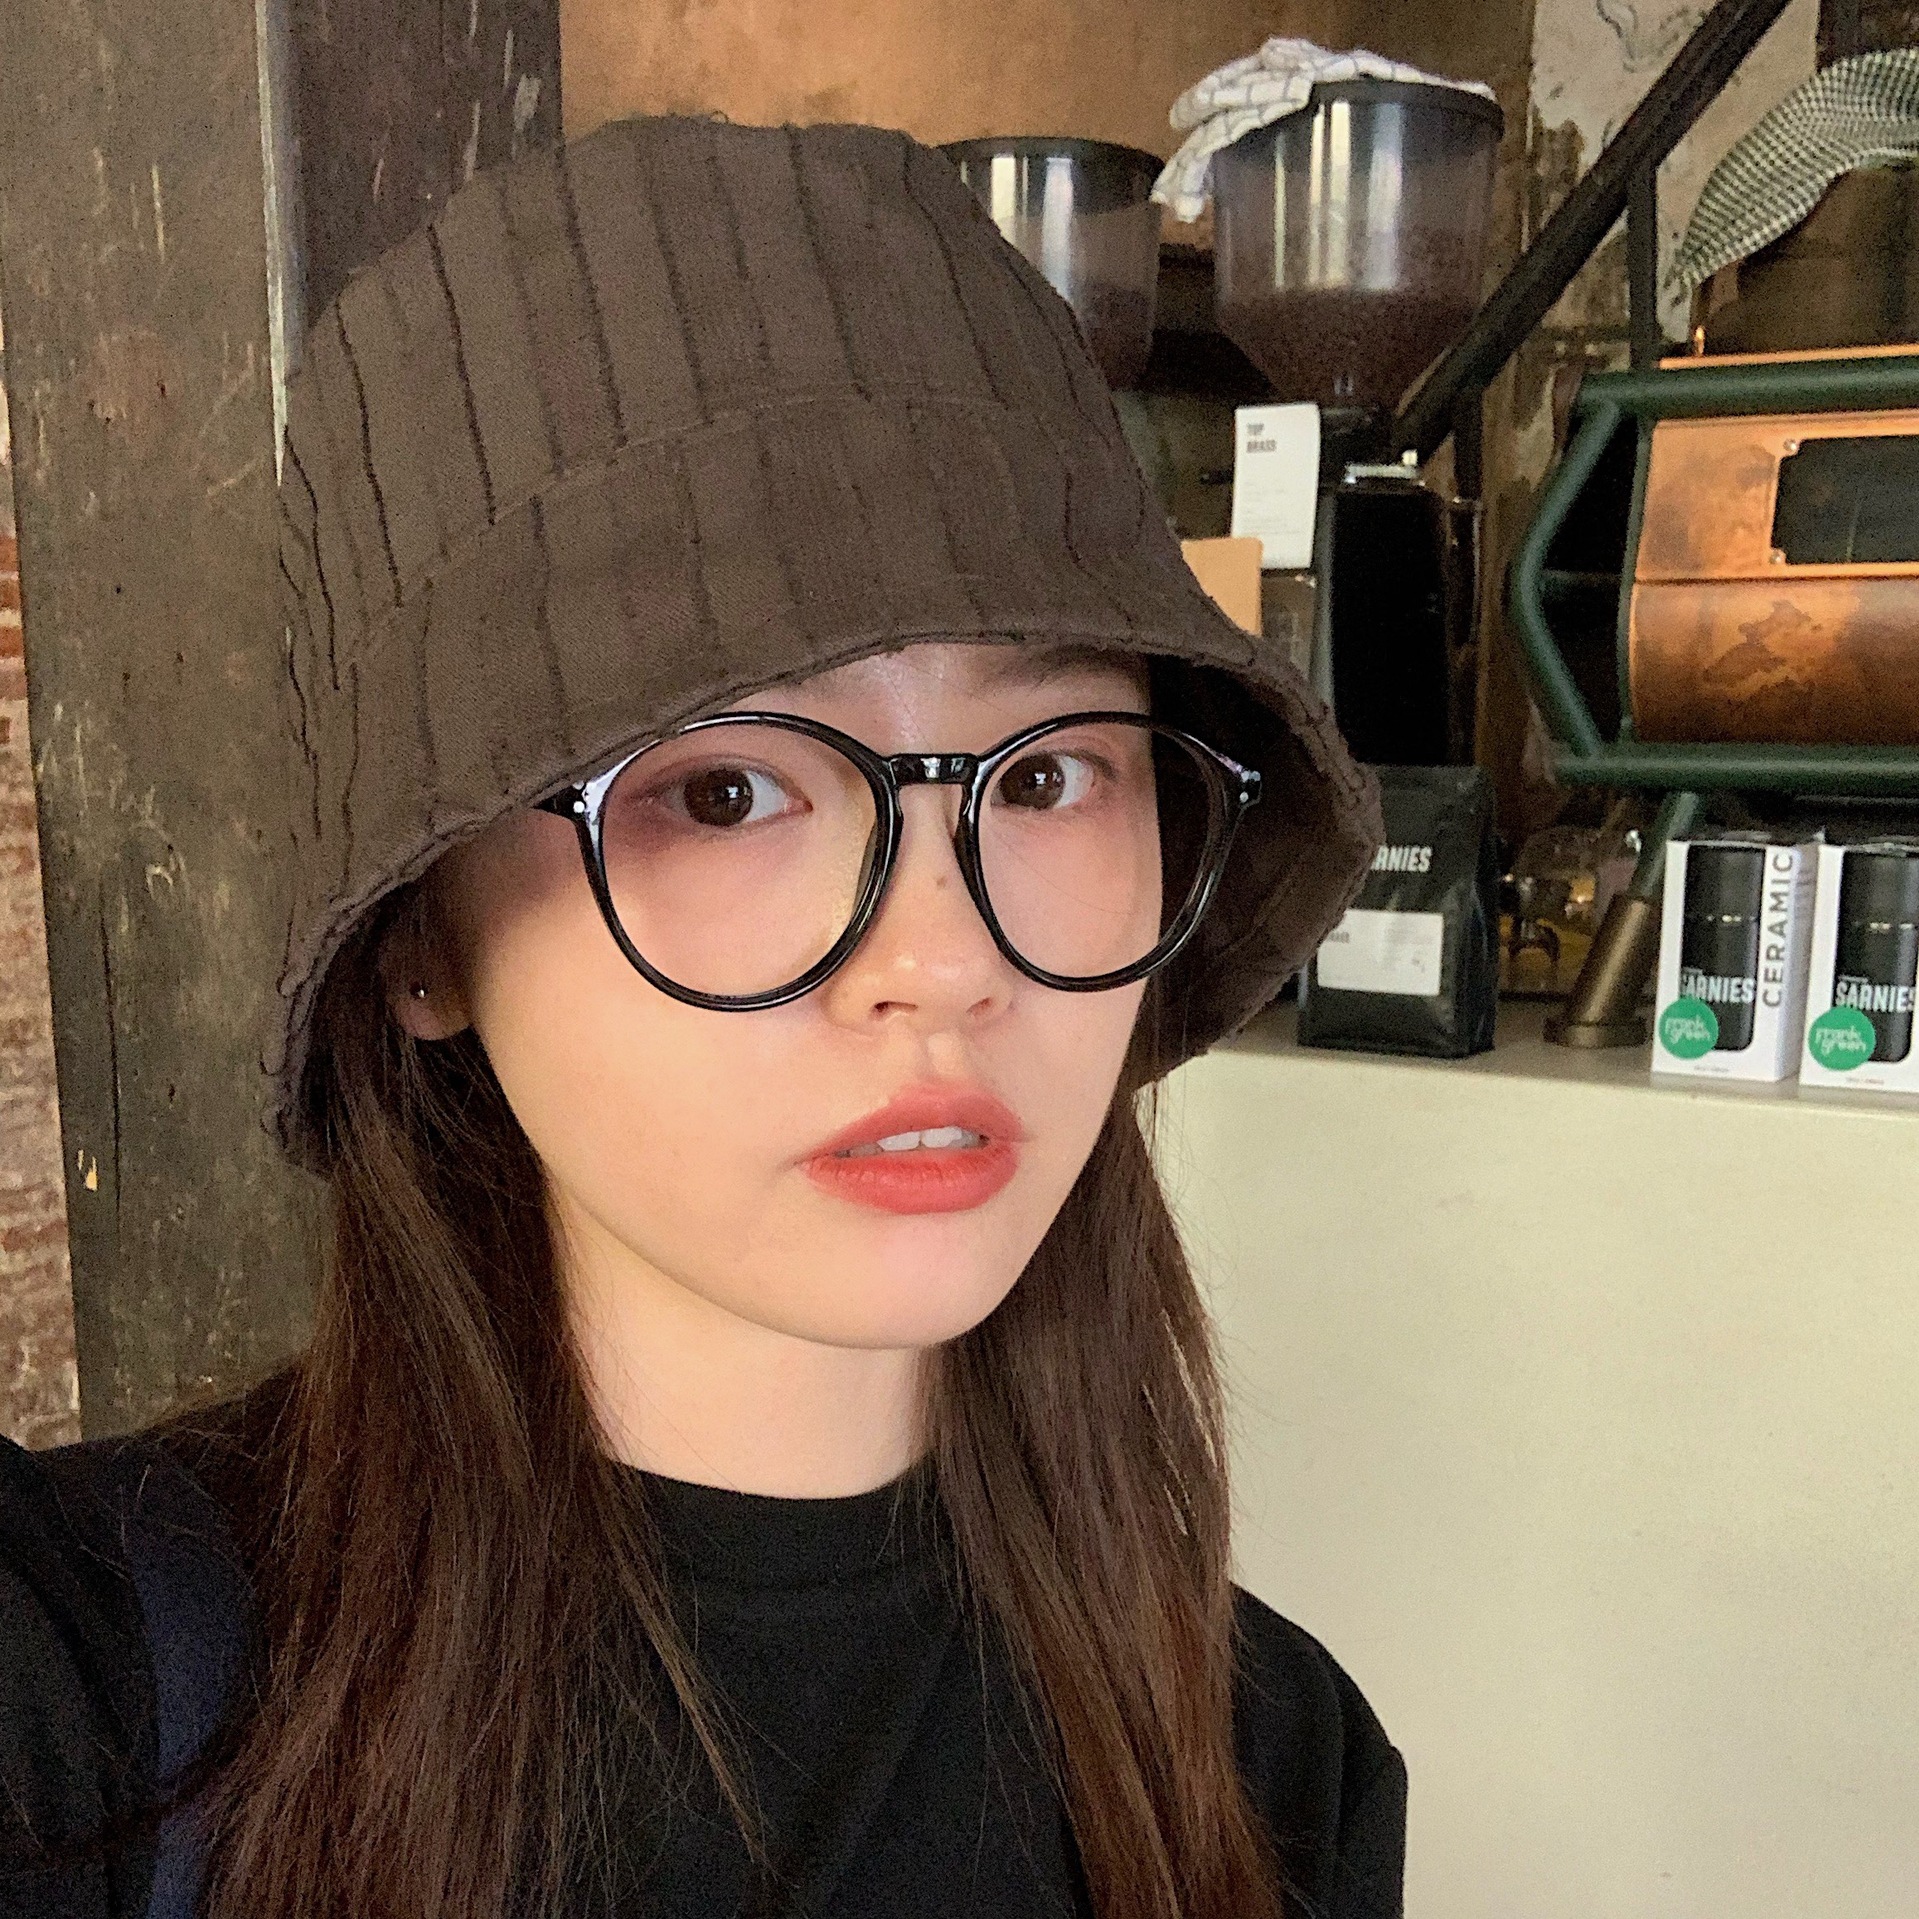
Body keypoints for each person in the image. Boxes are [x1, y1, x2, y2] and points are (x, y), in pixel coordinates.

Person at [0, 114, 1396, 1919]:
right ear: (421, 937)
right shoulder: (94, 1704)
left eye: (1049, 775)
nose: (941, 959)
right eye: (727, 793)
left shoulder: (1266, 1764)